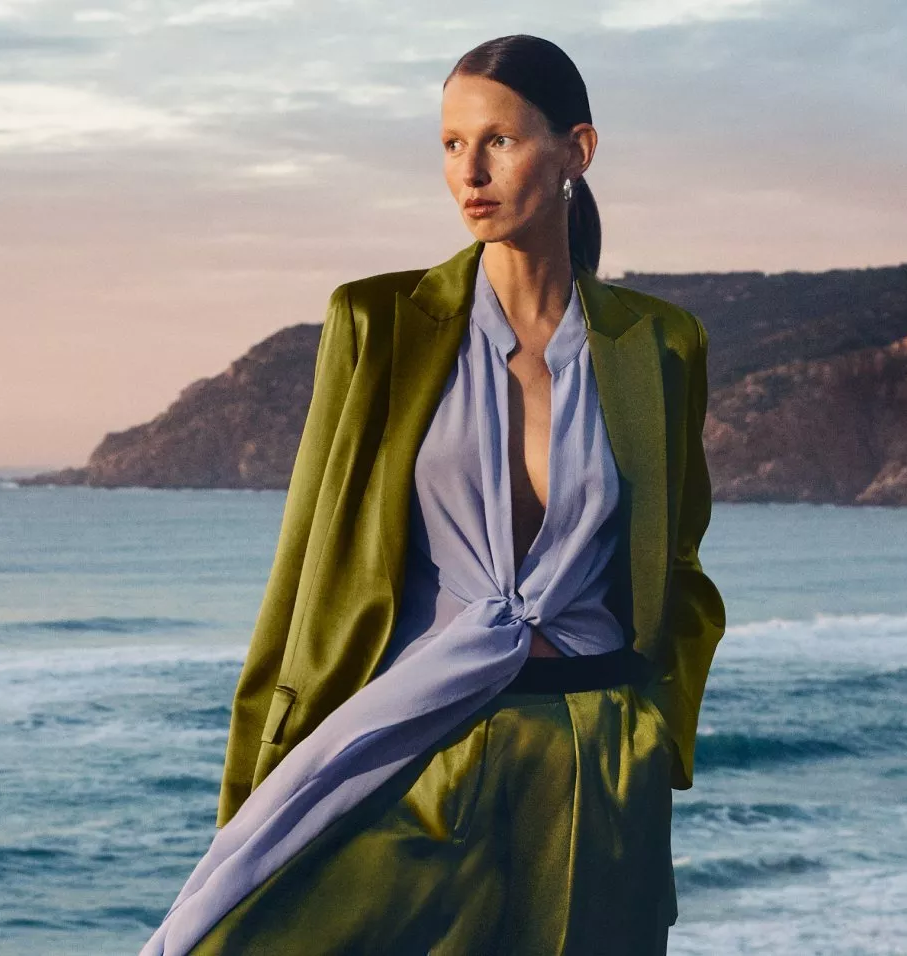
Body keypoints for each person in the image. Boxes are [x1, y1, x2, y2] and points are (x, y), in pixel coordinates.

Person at [141, 33, 726, 956]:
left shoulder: (662, 344)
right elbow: (309, 568)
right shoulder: (377, 322)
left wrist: (655, 741)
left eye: (500, 140)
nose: (470, 172)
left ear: (577, 151)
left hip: (598, 758)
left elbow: (678, 566)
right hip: (421, 743)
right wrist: (260, 779)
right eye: (453, 144)